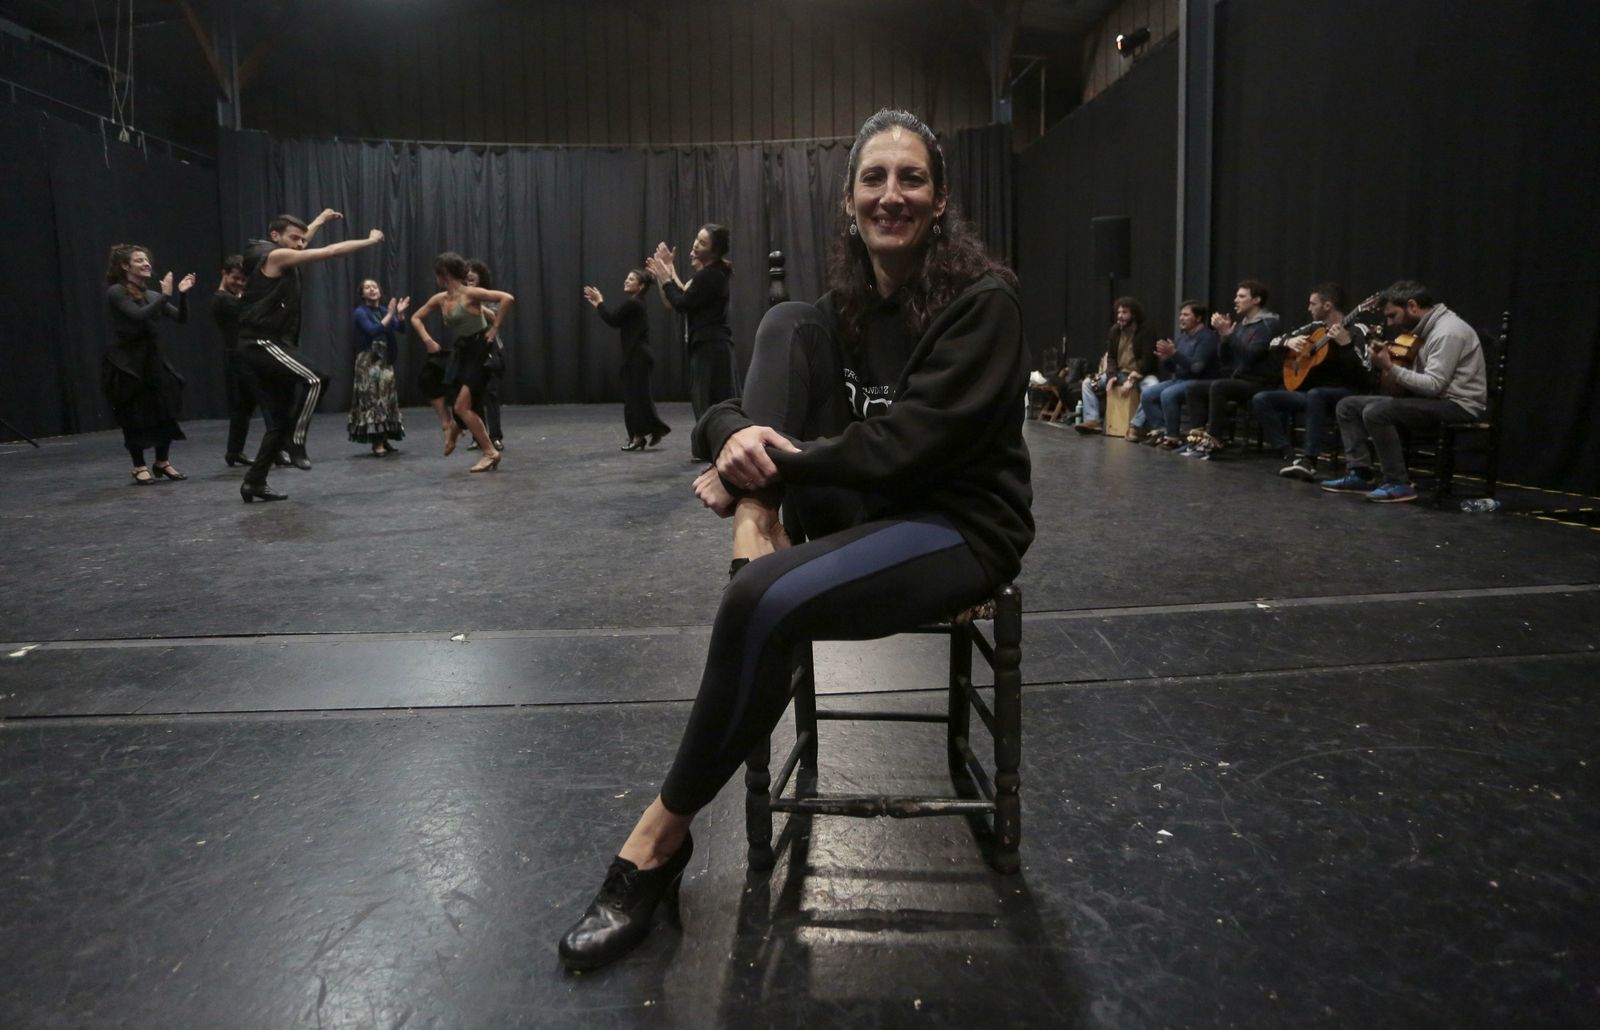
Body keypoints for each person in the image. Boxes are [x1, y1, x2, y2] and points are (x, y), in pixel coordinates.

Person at [557, 108, 1033, 971]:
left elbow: (909, 445)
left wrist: (769, 459)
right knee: (784, 323)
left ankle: (657, 842)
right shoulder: (837, 314)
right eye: (873, 178)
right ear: (849, 201)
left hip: (956, 525)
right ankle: (758, 518)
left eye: (911, 178)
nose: (891, 194)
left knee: (756, 598)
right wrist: (736, 439)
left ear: (940, 199)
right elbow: (721, 413)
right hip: (864, 510)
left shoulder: (982, 303)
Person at [236, 210, 384, 502]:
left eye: (303, 240)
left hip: (267, 344)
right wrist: (370, 241)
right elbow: (330, 252)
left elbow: (301, 241)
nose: (301, 244)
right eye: (295, 239)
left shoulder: (280, 251)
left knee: (278, 420)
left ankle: (254, 481)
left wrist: (319, 221)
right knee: (316, 379)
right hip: (260, 342)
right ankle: (295, 440)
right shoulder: (275, 256)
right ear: (275, 236)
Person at [1321, 280, 1486, 503]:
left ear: (1412, 306)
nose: (1390, 323)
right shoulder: (1422, 331)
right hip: (1433, 399)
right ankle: (1361, 474)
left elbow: (1434, 385)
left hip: (1458, 405)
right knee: (1347, 406)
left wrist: (1390, 367)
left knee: (1376, 411)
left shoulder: (1448, 331)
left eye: (1393, 316)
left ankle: (1398, 482)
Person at [1249, 283, 1377, 479]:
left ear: (1327, 306)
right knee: (1262, 399)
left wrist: (1346, 345)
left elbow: (1366, 373)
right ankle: (1288, 453)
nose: (1309, 308)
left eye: (1313, 304)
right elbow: (1272, 342)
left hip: (1346, 393)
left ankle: (1309, 461)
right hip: (1314, 396)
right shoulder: (1315, 328)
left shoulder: (1357, 330)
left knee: (1316, 394)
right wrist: (1288, 341)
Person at [409, 252, 514, 472]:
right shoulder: (441, 298)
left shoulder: (470, 294)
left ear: (444, 274)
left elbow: (507, 298)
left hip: (481, 351)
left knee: (462, 406)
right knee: (430, 375)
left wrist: (495, 328)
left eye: (437, 274)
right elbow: (416, 318)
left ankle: (489, 452)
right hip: (463, 350)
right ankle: (449, 426)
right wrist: (428, 340)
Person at [101, 244, 194, 485]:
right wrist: (165, 296)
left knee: (165, 408)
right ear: (125, 266)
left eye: (147, 260)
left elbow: (181, 318)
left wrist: (182, 294)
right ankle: (139, 465)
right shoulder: (116, 291)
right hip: (128, 362)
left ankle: (162, 461)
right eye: (139, 260)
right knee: (134, 414)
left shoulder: (151, 295)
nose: (146, 263)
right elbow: (138, 316)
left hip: (153, 359)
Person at [646, 223, 739, 435]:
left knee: (710, 404)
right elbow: (682, 296)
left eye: (703, 243)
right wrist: (666, 272)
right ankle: (715, 442)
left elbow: (681, 303)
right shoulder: (710, 275)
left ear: (714, 251)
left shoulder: (710, 276)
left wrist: (666, 277)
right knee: (710, 402)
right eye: (697, 239)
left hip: (711, 347)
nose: (696, 245)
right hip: (711, 346)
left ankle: (716, 443)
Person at [1179, 279, 1282, 459]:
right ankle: (1197, 440)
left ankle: (1213, 441)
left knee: (1219, 386)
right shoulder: (1242, 326)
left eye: (1241, 296)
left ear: (1256, 300)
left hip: (1261, 382)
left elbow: (1251, 356)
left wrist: (1230, 334)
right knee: (1194, 388)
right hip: (1240, 379)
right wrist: (1224, 338)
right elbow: (1226, 360)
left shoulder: (1268, 324)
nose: (1236, 300)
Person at [584, 268, 672, 450]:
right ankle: (648, 432)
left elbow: (613, 319)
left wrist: (599, 302)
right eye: (627, 278)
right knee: (638, 398)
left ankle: (640, 436)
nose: (626, 281)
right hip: (638, 355)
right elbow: (615, 320)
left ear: (641, 286)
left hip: (638, 356)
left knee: (635, 400)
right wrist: (599, 304)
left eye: (631, 279)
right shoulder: (636, 303)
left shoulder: (633, 304)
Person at [1071, 297, 1159, 437]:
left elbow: (1147, 361)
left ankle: (1135, 426)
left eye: (1124, 312)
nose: (1120, 316)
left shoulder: (1147, 331)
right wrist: (1111, 376)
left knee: (1152, 388)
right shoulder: (1115, 331)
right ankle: (1092, 420)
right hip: (1120, 373)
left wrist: (1132, 379)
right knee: (1088, 383)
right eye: (1118, 312)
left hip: (1141, 374)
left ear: (1134, 314)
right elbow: (1111, 357)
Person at [1140, 300, 1219, 447]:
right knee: (1148, 394)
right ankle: (1160, 432)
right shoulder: (1182, 338)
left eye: (1186, 315)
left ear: (1198, 318)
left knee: (1168, 394)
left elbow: (1197, 368)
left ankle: (1173, 437)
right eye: (1181, 315)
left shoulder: (1208, 337)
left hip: (1200, 382)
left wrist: (1174, 353)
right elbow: (1175, 369)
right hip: (1181, 380)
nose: (1181, 318)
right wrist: (1166, 360)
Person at [347, 278, 409, 456]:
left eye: (374, 286)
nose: (372, 289)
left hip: (384, 360)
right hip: (368, 361)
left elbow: (401, 329)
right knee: (373, 400)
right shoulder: (360, 312)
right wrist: (390, 314)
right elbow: (372, 330)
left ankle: (385, 437)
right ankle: (377, 442)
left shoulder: (383, 310)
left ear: (379, 291)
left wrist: (400, 315)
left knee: (387, 399)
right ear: (362, 294)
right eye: (367, 287)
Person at [212, 254, 260, 467]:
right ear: (224, 274)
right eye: (236, 278)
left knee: (244, 407)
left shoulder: (235, 298)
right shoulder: (223, 299)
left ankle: (234, 451)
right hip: (241, 356)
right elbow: (250, 318)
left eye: (243, 279)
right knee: (261, 403)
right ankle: (275, 450)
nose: (240, 283)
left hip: (242, 354)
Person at [465, 260, 505, 452]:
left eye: (473, 272)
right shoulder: (461, 299)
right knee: (474, 396)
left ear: (481, 276)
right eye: (466, 273)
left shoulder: (490, 297)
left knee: (491, 394)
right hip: (470, 350)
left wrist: (477, 303)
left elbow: (495, 318)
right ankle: (478, 437)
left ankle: (495, 437)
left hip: (489, 349)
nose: (469, 275)